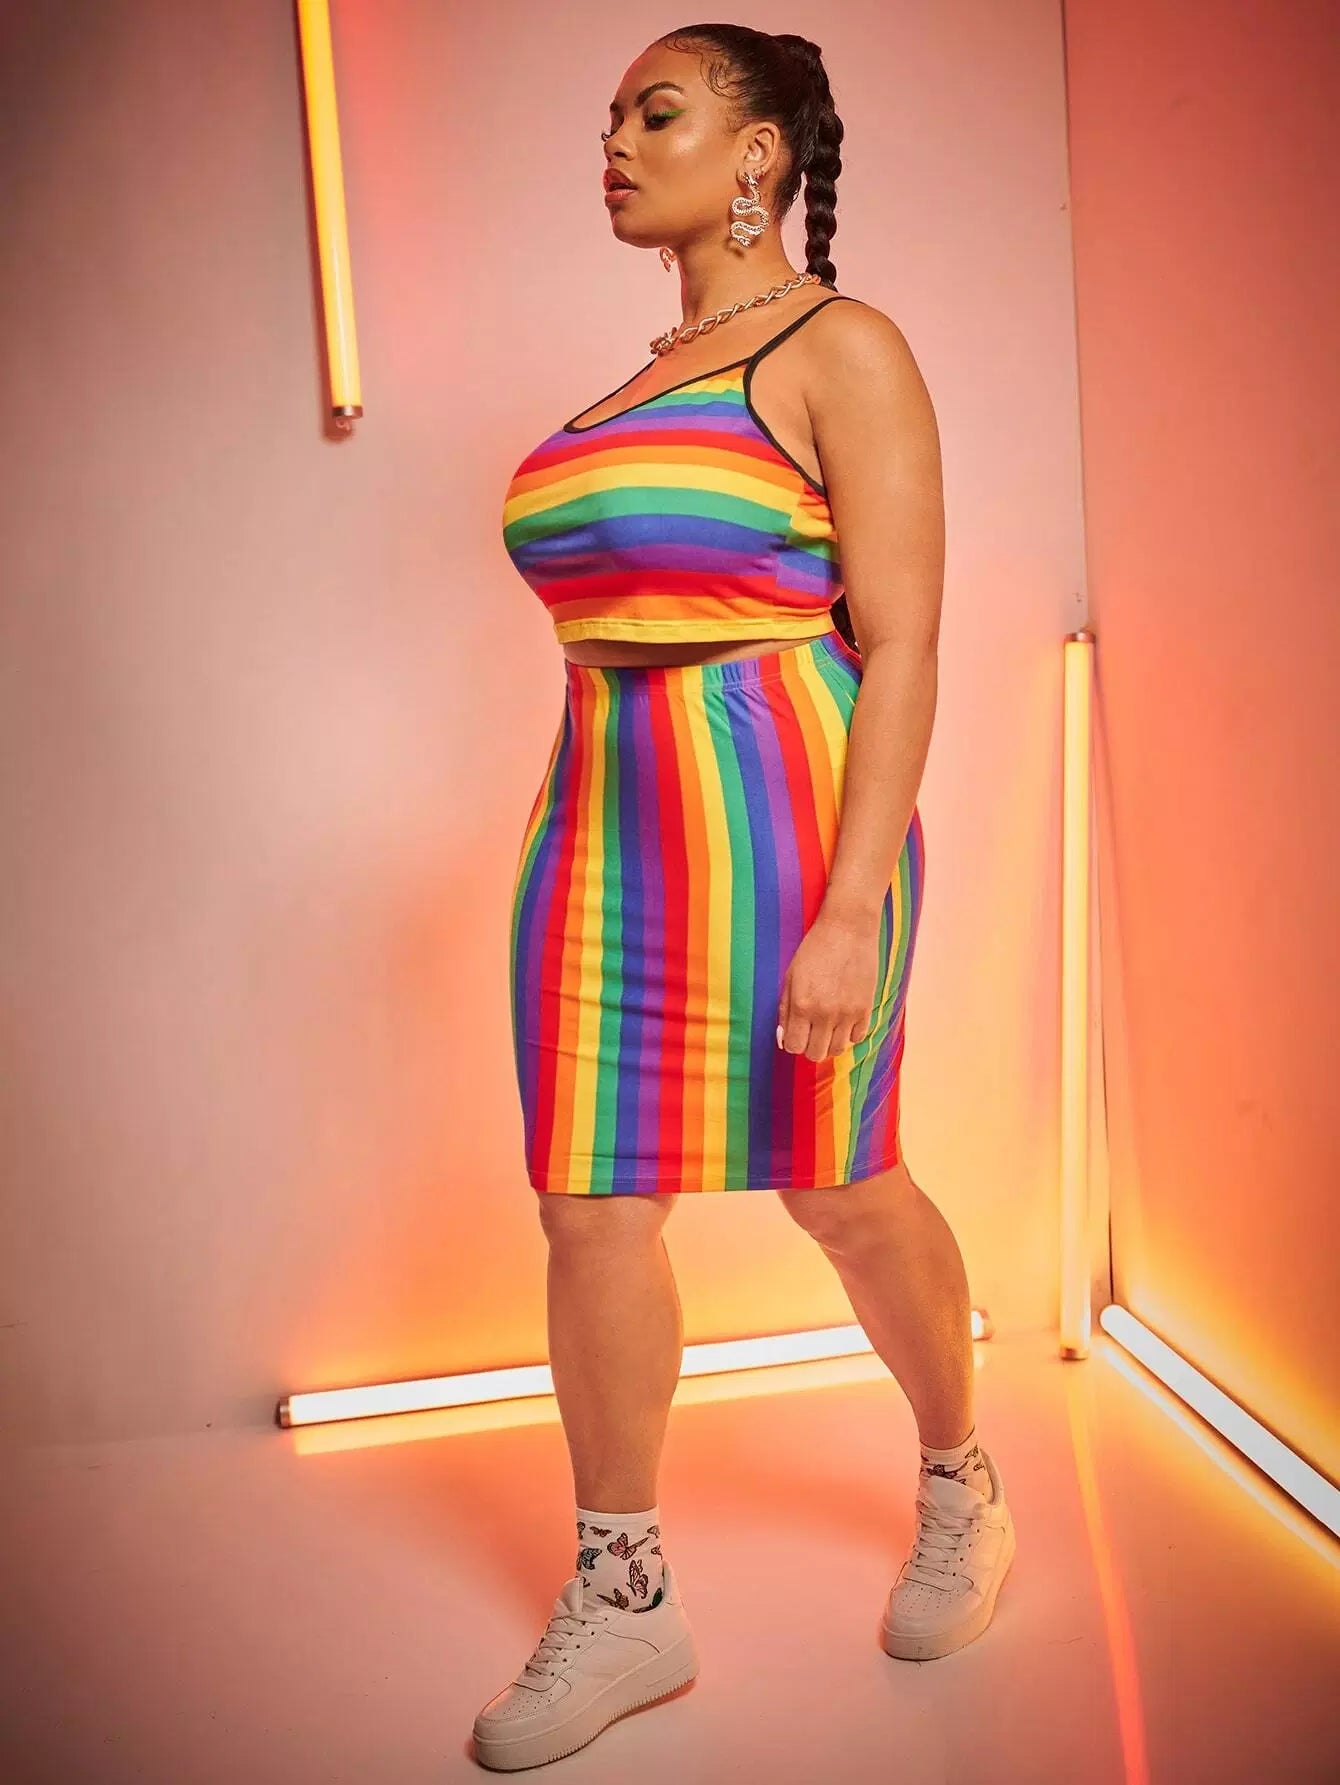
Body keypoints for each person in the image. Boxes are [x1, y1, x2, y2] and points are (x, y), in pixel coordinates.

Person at [478, 23, 1015, 1771]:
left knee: (839, 1185)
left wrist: (852, 905)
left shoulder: (837, 345)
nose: (619, 145)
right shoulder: (630, 388)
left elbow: (905, 639)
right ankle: (625, 1589)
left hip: (787, 817)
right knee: (586, 1206)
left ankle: (963, 1481)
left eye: (661, 113)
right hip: (597, 826)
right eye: (610, 120)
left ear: (762, 152)